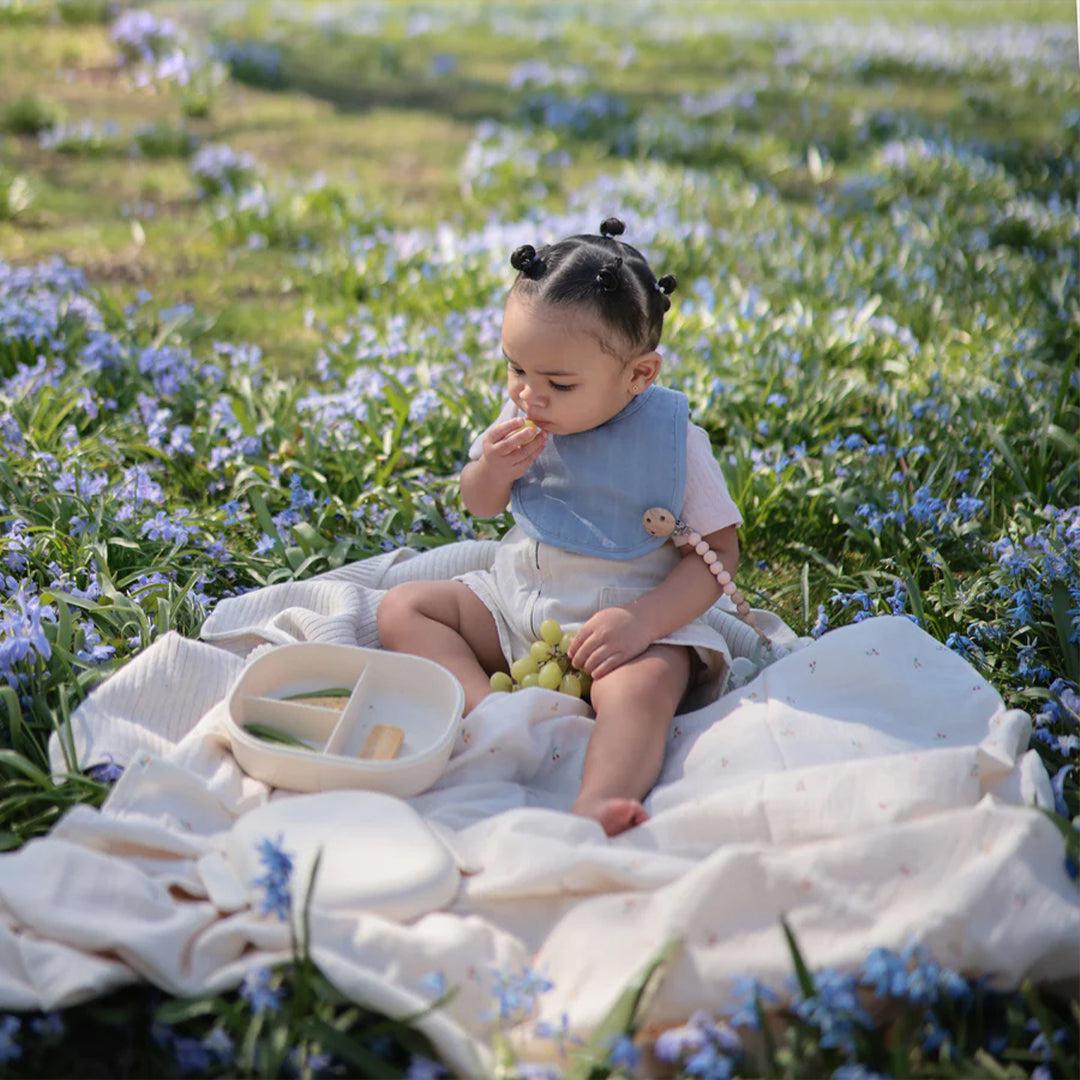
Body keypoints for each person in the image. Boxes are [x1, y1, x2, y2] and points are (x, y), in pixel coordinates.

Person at [378, 217, 743, 836]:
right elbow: (481, 504)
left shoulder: (673, 443)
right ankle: (493, 720)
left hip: (622, 628)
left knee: (646, 690)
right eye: (516, 369)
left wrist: (646, 622)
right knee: (404, 608)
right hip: (520, 605)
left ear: (639, 376)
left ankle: (600, 798)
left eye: (558, 383)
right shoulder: (523, 415)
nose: (529, 396)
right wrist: (490, 469)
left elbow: (719, 554)